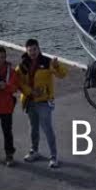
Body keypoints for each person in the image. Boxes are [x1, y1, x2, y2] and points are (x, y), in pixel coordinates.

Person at [16, 39, 68, 168]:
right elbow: (19, 83)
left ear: (39, 49)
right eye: (30, 50)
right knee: (33, 128)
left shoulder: (47, 62)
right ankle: (34, 151)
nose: (33, 52)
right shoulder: (22, 65)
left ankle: (54, 156)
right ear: (26, 50)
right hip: (29, 100)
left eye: (35, 49)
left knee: (47, 129)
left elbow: (62, 74)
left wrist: (57, 66)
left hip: (44, 101)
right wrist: (30, 92)